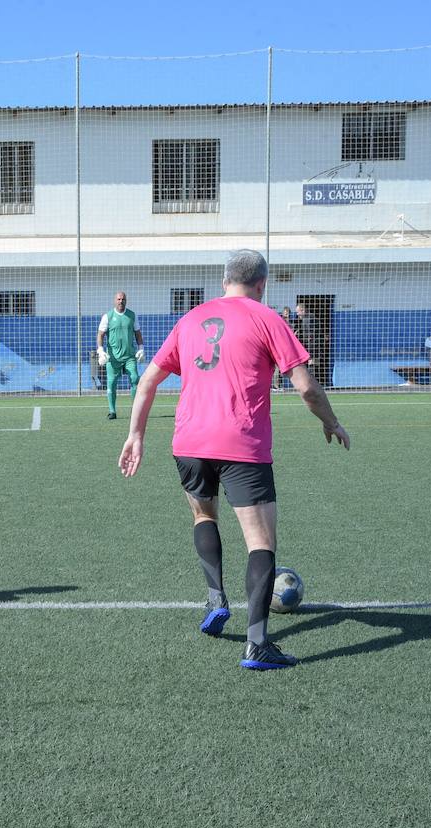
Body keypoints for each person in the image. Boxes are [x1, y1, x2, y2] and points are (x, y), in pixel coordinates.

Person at [118, 250, 350, 671]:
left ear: (223, 281)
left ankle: (215, 598)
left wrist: (135, 435)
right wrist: (332, 422)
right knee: (261, 542)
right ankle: (257, 644)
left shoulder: (190, 320)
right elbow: (305, 388)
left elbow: (149, 379)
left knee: (204, 517)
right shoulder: (267, 318)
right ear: (262, 283)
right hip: (241, 445)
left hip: (188, 443)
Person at [97, 291, 144, 420]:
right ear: (114, 301)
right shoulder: (108, 316)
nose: (120, 301)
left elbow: (138, 333)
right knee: (111, 383)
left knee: (135, 379)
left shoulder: (132, 315)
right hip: (113, 358)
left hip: (129, 357)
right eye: (118, 299)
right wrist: (101, 351)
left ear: (126, 300)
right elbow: (100, 334)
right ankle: (112, 411)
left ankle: (135, 410)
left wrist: (141, 349)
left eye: (123, 299)